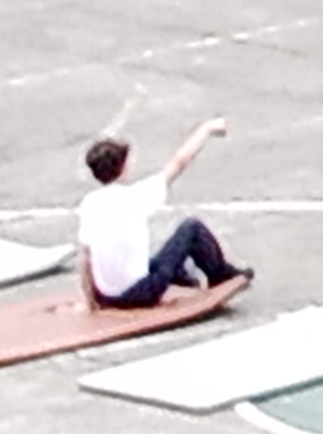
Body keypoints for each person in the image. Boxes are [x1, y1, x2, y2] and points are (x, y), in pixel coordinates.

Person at [77, 117, 245, 309]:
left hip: (106, 295)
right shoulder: (136, 196)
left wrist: (91, 301)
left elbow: (86, 258)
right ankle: (219, 274)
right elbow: (180, 161)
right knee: (191, 228)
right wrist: (207, 129)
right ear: (124, 167)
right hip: (140, 293)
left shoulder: (89, 203)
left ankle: (180, 275)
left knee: (149, 258)